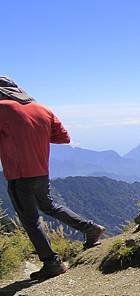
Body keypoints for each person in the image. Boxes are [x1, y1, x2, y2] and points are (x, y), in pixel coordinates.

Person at [0, 76, 105, 280]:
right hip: (41, 170)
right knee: (49, 206)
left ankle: (51, 262)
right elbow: (64, 138)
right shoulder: (41, 108)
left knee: (30, 220)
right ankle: (90, 228)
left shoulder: (2, 108)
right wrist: (34, 135)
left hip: (19, 174)